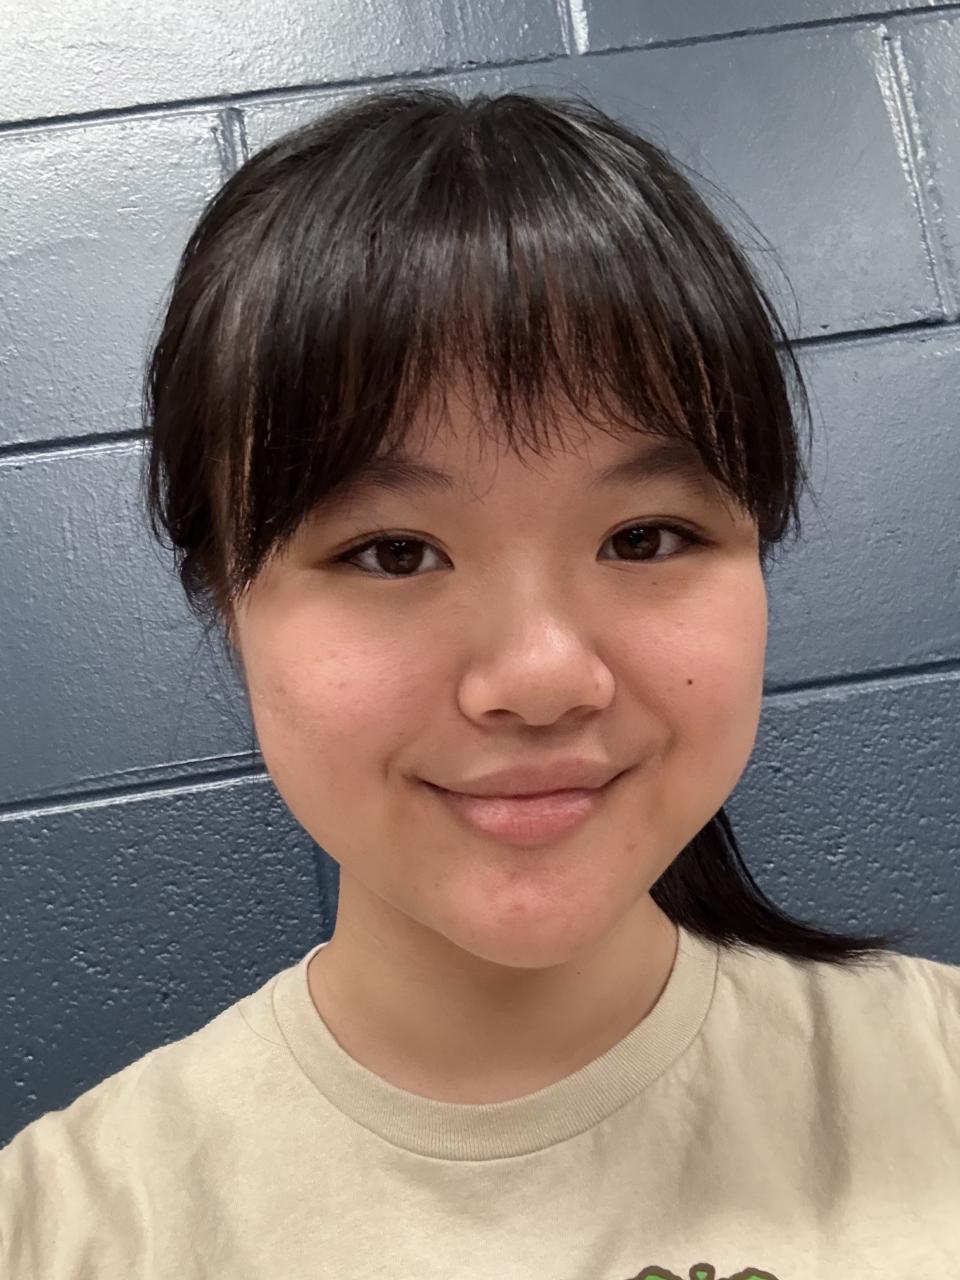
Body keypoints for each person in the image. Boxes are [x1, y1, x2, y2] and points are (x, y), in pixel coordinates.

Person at [1, 84, 957, 1280]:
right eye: (394, 552)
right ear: (226, 602)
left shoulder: (936, 1073)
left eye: (645, 536)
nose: (543, 677)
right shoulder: (61, 1231)